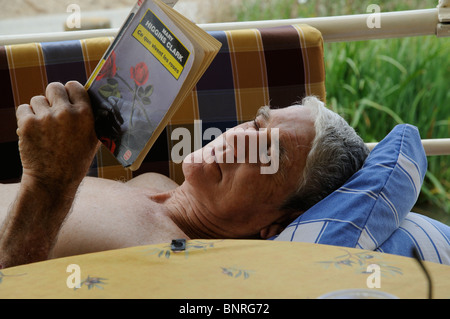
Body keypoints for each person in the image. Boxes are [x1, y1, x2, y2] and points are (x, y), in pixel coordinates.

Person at [0, 81, 369, 269]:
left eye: (271, 152)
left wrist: (48, 182)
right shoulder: (159, 187)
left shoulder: (180, 270)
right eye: (257, 125)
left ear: (277, 224)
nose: (239, 139)